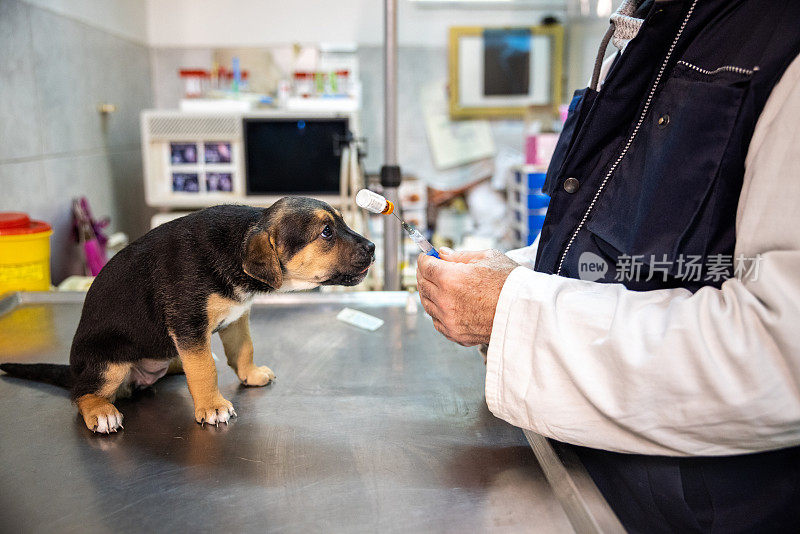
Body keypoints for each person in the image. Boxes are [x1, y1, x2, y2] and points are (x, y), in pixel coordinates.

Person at [416, 1, 800, 531]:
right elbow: (630, 246)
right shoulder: (672, 23)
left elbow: (779, 356)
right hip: (592, 474)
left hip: (693, 513)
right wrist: (513, 272)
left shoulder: (780, 44)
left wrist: (511, 308)